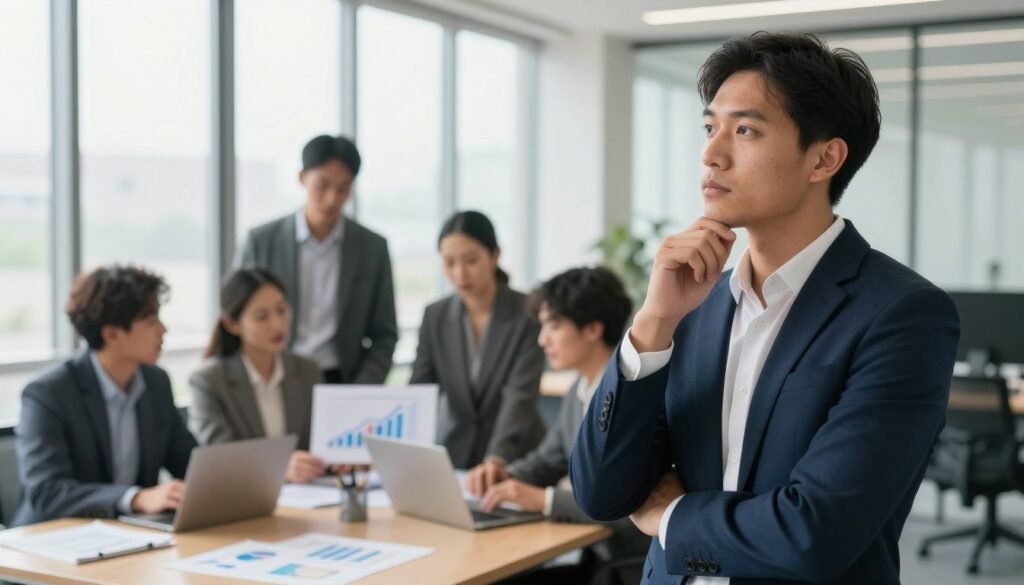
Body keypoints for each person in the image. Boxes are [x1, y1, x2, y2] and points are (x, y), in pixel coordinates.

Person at [570, 32, 960, 585]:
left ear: (824, 158)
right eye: (710, 128)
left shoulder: (903, 314)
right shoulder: (692, 305)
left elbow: (814, 533)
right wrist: (653, 325)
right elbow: (602, 491)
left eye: (745, 130)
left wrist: (672, 518)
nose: (712, 153)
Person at [466, 266, 649, 584]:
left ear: (592, 328)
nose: (542, 339)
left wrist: (545, 500)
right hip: (597, 558)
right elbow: (548, 460)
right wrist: (504, 477)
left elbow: (632, 508)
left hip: (630, 567)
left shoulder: (634, 400)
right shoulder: (578, 391)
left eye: (553, 326)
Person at [13, 265, 198, 526]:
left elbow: (188, 462)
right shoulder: (49, 392)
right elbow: (47, 492)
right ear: (111, 334)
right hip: (51, 540)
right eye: (150, 321)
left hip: (131, 535)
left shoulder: (156, 382)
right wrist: (134, 498)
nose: (163, 329)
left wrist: (237, 481)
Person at [236, 134, 398, 384]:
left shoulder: (372, 248)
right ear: (302, 178)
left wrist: (364, 389)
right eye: (322, 185)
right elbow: (238, 314)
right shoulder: (262, 242)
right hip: (275, 375)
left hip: (344, 379)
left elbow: (385, 333)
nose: (332, 198)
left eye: (343, 188)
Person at [411, 210, 546, 469]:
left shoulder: (527, 311)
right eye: (449, 262)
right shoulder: (435, 315)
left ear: (495, 256)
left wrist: (497, 458)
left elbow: (520, 395)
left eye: (471, 260)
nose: (460, 273)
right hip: (455, 454)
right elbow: (421, 389)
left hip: (516, 457)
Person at [188, 268, 330, 484]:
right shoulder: (209, 381)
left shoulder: (307, 371)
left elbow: (320, 446)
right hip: (243, 504)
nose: (277, 324)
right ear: (232, 324)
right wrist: (280, 468)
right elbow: (221, 459)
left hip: (306, 502)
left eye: (282, 310)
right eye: (262, 316)